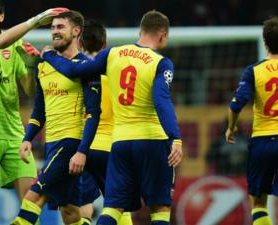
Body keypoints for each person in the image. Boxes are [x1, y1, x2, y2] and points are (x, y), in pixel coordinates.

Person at [41, 10, 183, 225]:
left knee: (113, 208)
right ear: (163, 35)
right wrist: (175, 138)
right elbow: (161, 101)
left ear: (140, 31)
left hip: (120, 144)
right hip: (152, 140)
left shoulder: (113, 54)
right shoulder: (161, 63)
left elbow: (72, 70)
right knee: (160, 208)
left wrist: (49, 55)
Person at [0, 1, 68, 224]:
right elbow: (0, 41)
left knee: (30, 198)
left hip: (14, 133)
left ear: (2, 16)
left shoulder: (16, 44)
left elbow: (29, 90)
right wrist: (36, 20)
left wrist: (30, 67)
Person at [11, 10, 101, 225]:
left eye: (60, 27)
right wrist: (27, 138)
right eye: (52, 28)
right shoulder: (43, 66)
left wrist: (82, 151)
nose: (54, 32)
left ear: (76, 31)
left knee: (33, 197)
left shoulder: (86, 67)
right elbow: (39, 111)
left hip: (71, 144)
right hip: (51, 143)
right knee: (70, 213)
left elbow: (92, 114)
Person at [77, 19, 133, 225]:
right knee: (118, 205)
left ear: (80, 44)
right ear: (105, 44)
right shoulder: (116, 74)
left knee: (83, 206)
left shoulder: (76, 74)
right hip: (111, 147)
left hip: (81, 149)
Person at [225, 16, 278, 225]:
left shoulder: (254, 71)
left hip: (263, 142)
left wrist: (231, 127)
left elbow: (236, 104)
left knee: (258, 203)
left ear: (265, 42)